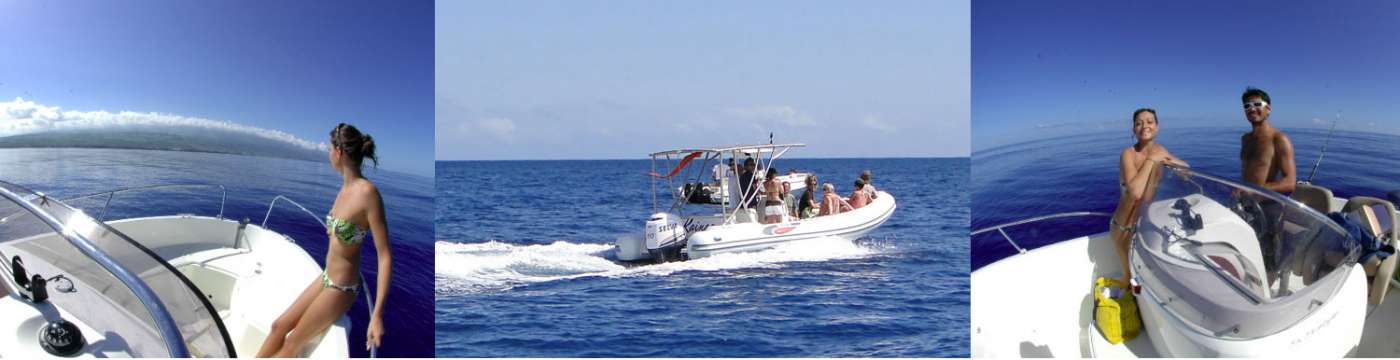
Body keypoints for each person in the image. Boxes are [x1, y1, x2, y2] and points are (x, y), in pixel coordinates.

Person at [258, 123, 393, 357]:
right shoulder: (344, 188)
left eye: (330, 149)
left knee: (292, 344)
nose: (328, 154)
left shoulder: (368, 194)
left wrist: (377, 315)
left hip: (342, 287)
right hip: (326, 276)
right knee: (278, 327)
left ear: (339, 152)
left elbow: (385, 256)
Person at [1111, 108, 1187, 288]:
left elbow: (1186, 170)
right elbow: (1136, 192)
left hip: (1142, 224)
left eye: (1149, 121)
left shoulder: (1160, 150)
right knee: (1129, 279)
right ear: (1133, 130)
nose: (1144, 125)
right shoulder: (1128, 154)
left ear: (1157, 127)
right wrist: (1152, 160)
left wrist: (1167, 160)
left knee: (1144, 280)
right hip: (1122, 228)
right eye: (1139, 122)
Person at [1239, 87, 1296, 194]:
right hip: (1243, 202)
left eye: (1257, 104)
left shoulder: (1279, 139)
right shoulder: (1245, 139)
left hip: (1266, 206)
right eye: (1247, 106)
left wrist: (1252, 190)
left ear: (1268, 109)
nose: (1252, 109)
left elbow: (1289, 183)